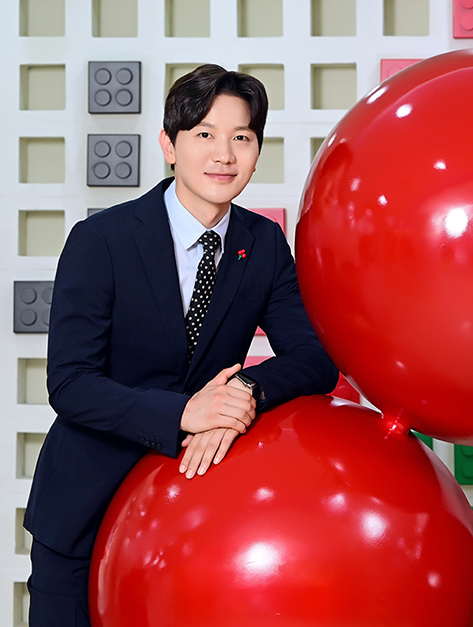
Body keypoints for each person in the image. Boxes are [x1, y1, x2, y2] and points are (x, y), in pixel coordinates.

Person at [24, 64, 338, 627]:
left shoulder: (263, 243)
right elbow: (70, 383)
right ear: (169, 146)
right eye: (204, 134)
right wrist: (184, 412)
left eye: (242, 137)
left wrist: (243, 394)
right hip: (86, 501)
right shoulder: (101, 240)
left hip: (196, 508)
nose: (224, 155)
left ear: (257, 152)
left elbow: (315, 358)